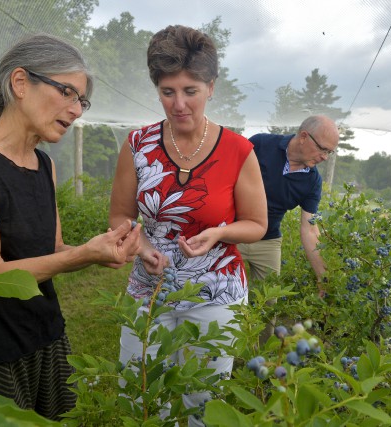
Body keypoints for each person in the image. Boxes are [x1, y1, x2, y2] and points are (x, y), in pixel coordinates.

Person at [0, 33, 142, 420]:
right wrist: (83, 254)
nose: (77, 110)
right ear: (21, 83)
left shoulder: (43, 164)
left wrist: (98, 251)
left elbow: (55, 250)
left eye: (82, 100)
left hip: (45, 334)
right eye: (68, 93)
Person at [109, 24, 267, 426]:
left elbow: (256, 224)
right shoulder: (138, 144)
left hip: (215, 290)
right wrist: (141, 247)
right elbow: (120, 217)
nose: (179, 104)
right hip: (150, 288)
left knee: (200, 400)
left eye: (190, 91)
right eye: (167, 91)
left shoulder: (237, 150)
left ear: (211, 87)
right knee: (140, 392)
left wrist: (220, 233)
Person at [238, 115, 340, 297]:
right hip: (232, 233)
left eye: (329, 152)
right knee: (220, 296)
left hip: (268, 241)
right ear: (303, 137)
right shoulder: (261, 144)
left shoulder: (312, 181)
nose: (324, 157)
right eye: (323, 149)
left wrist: (323, 278)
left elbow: (309, 230)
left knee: (268, 305)